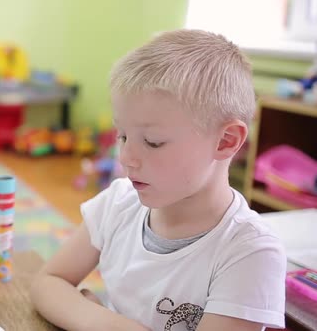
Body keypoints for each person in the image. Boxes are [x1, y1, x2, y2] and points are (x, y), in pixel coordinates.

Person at [30, 29, 286, 331]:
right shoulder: (118, 204)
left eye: (152, 142)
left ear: (225, 141)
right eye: (122, 135)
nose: (125, 157)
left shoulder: (249, 253)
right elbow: (48, 282)